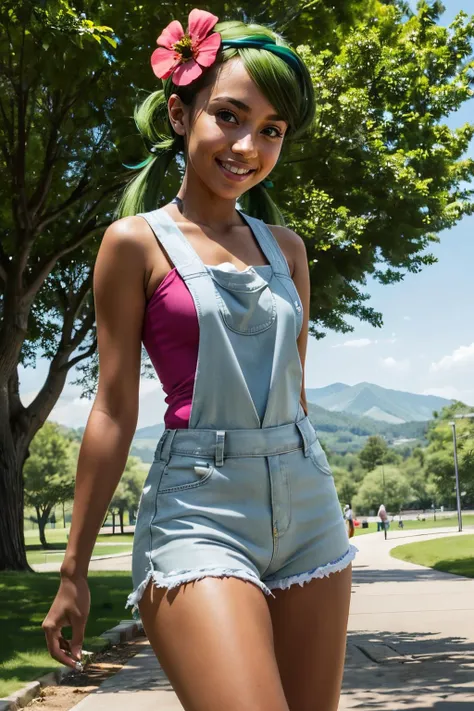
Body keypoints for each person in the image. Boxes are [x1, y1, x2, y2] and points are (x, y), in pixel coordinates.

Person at [42, 11, 357, 711]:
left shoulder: (289, 249)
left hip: (308, 506)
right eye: (230, 116)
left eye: (271, 129)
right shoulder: (134, 243)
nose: (249, 144)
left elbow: (293, 394)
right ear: (181, 113)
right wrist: (73, 569)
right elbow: (114, 408)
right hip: (198, 510)